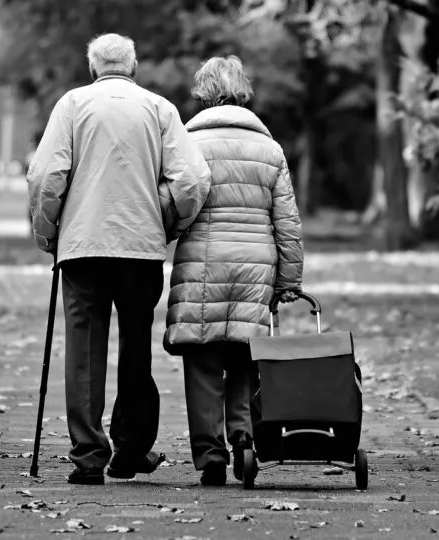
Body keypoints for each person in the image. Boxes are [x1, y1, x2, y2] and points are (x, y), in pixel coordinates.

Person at [28, 33, 211, 485]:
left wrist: (48, 233)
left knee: (84, 351)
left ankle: (89, 454)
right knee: (135, 346)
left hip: (83, 248)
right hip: (139, 247)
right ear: (133, 67)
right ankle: (129, 448)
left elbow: (46, 174)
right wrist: (168, 221)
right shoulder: (159, 109)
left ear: (94, 68)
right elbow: (192, 179)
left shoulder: (72, 105)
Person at [163, 56, 304, 486]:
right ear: (242, 91)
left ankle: (210, 456)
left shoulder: (187, 142)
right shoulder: (270, 149)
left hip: (202, 263)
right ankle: (243, 438)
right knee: (245, 354)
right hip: (254, 264)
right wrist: (290, 280)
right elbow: (288, 223)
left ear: (203, 92)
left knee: (203, 357)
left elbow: (173, 205)